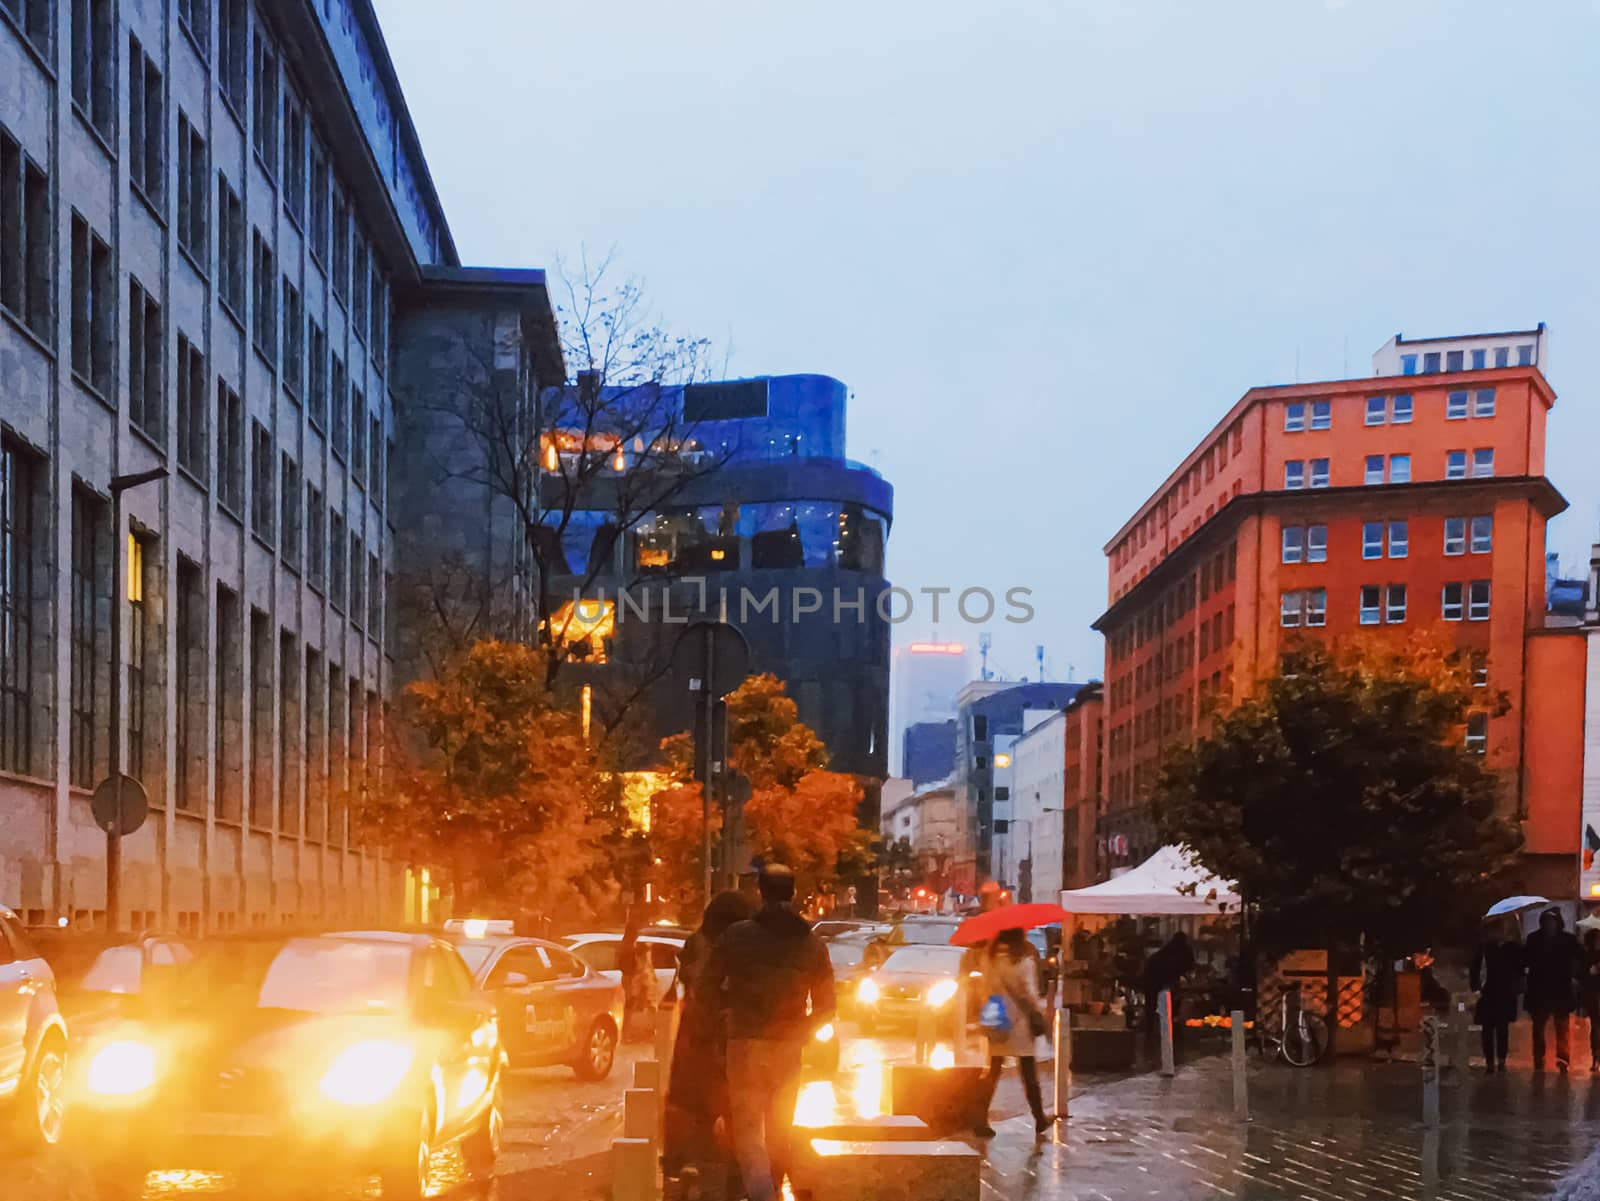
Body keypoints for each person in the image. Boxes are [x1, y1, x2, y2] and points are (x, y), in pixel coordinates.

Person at [707, 864, 835, 1201]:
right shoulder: (811, 943)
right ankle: (773, 1188)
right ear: (792, 893)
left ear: (760, 893)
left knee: (749, 1131)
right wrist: (803, 1030)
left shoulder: (736, 936)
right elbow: (827, 1005)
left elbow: (705, 985)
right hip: (788, 1046)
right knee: (781, 1129)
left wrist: (723, 1015)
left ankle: (763, 1195)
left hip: (744, 1042)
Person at [664, 891, 753, 1197]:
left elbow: (691, 989)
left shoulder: (696, 944)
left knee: (696, 1110)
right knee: (737, 1114)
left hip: (696, 1040)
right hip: (732, 1042)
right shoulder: (743, 949)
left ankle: (689, 1166)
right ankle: (733, 1178)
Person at [975, 927, 1050, 1139]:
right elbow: (1028, 992)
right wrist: (1037, 1013)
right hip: (1020, 1021)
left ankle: (980, 1119)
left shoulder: (988, 959)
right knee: (1028, 1071)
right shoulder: (1023, 962)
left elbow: (985, 988)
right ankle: (1039, 1118)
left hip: (997, 1017)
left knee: (993, 1070)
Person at [1523, 907, 1581, 1072]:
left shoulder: (1568, 940)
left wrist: (1577, 973)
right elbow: (1525, 959)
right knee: (1539, 1027)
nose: (1549, 925)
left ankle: (1563, 1059)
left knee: (1561, 1027)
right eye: (1547, 922)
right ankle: (1539, 1058)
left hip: (1560, 989)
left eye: (1552, 922)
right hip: (1539, 990)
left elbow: (1580, 956)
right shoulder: (1534, 939)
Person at [1470, 920, 1523, 1074]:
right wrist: (1475, 989)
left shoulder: (1510, 948)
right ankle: (1490, 1062)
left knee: (1502, 1029)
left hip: (1504, 993)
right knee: (1487, 1029)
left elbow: (1519, 966)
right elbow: (1475, 969)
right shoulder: (1484, 949)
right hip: (1487, 994)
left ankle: (1500, 1060)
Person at [1140, 932, 1196, 1038]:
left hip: (1153, 978)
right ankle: (1166, 1028)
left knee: (1152, 1005)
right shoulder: (1181, 952)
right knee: (1167, 1003)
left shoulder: (1167, 951)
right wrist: (1189, 980)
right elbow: (1184, 968)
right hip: (1158, 979)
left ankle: (1151, 1030)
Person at [1580, 927, 1600, 1074]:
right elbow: (1583, 978)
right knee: (1596, 1027)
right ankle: (1596, 1057)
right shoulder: (1587, 956)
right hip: (1593, 996)